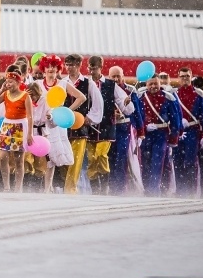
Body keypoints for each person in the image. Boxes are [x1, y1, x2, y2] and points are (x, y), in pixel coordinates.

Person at [86, 56, 135, 195]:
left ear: (101, 67)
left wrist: (126, 103)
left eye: (94, 68)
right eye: (90, 68)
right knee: (91, 159)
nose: (92, 71)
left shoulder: (110, 85)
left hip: (106, 127)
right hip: (89, 128)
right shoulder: (85, 83)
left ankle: (104, 187)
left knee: (101, 155)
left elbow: (126, 106)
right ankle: (95, 189)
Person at [37, 55, 84, 193]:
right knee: (42, 156)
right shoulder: (37, 84)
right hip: (41, 123)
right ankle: (46, 187)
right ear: (43, 69)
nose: (50, 69)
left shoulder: (63, 84)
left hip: (56, 124)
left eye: (53, 66)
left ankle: (48, 188)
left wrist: (67, 112)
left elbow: (81, 97)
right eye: (47, 66)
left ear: (58, 69)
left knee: (52, 158)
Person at [60, 54, 102, 194]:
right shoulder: (62, 82)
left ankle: (70, 189)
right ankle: (66, 186)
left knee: (76, 160)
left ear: (78, 65)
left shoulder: (88, 83)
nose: (68, 68)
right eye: (67, 65)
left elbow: (98, 103)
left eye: (71, 65)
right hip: (63, 127)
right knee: (63, 159)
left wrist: (90, 117)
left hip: (80, 127)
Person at [0, 65, 33, 193]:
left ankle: (18, 187)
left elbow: (30, 117)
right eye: (7, 82)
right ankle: (6, 186)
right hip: (7, 126)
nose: (8, 84)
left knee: (19, 159)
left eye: (11, 82)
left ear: (18, 83)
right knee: (3, 157)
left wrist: (29, 134)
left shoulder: (25, 96)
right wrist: (1, 90)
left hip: (20, 127)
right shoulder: (6, 94)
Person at [137, 74, 180, 196]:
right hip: (146, 135)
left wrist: (173, 139)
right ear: (146, 84)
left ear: (160, 83)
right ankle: (147, 189)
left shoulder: (168, 97)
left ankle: (154, 190)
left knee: (157, 163)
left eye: (155, 83)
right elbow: (137, 116)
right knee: (145, 163)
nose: (153, 86)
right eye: (150, 84)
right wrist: (144, 127)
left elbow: (175, 119)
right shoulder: (141, 97)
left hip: (161, 135)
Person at [173, 67, 203, 197]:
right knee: (177, 162)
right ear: (178, 78)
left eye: (187, 76)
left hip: (192, 132)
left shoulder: (198, 94)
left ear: (191, 77)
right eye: (182, 76)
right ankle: (180, 191)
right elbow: (172, 114)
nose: (184, 78)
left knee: (190, 162)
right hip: (178, 132)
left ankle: (190, 192)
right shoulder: (174, 94)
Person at [107, 66, 143, 195]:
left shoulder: (130, 90)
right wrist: (112, 115)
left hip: (125, 129)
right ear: (109, 77)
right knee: (110, 158)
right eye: (113, 76)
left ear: (123, 76)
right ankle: (112, 188)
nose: (116, 79)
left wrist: (141, 132)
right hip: (110, 129)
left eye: (118, 76)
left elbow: (137, 112)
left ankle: (121, 188)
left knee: (121, 158)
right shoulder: (105, 89)